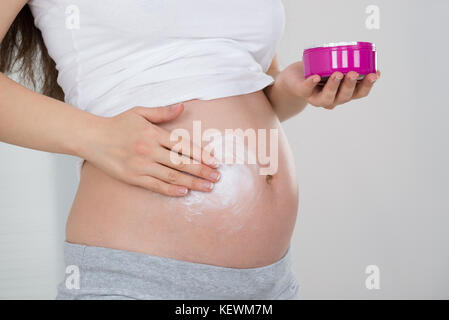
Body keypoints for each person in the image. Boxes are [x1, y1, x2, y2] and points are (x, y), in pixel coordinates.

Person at [0, 0, 380, 300]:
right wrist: (98, 137)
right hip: (136, 280)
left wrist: (290, 89)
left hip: (270, 284)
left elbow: (250, 87)